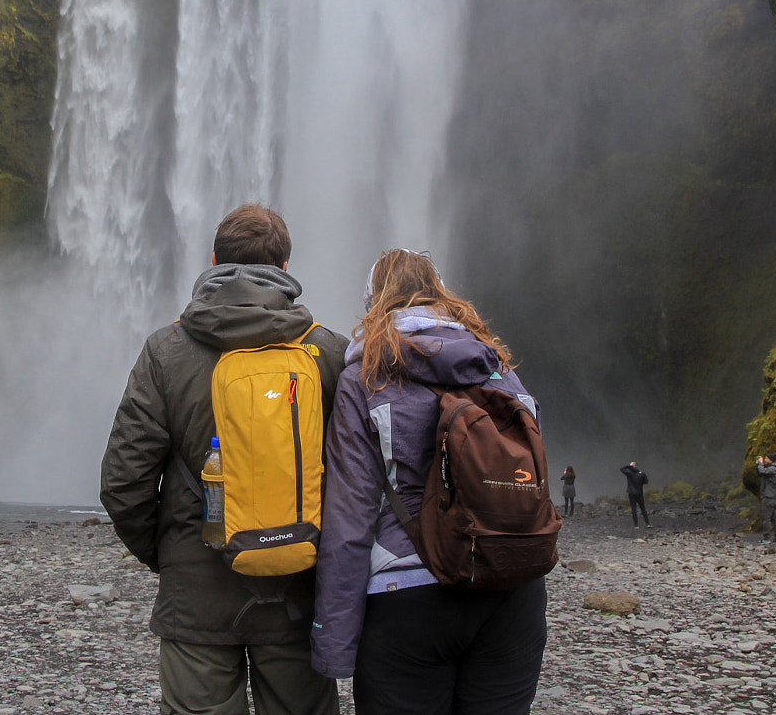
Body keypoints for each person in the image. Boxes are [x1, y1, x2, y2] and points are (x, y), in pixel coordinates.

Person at [100, 204, 348, 715]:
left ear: (213, 260)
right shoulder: (328, 352)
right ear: (285, 269)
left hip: (196, 593)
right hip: (297, 590)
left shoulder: (165, 350)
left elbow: (124, 480)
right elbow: (357, 480)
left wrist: (169, 552)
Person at [312, 249, 547, 715]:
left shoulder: (364, 382)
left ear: (374, 303)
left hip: (409, 597)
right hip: (511, 589)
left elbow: (350, 517)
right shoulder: (501, 372)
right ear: (443, 295)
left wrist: (334, 643)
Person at [756, 453, 776, 543]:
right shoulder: (774, 469)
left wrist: (760, 463)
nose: (765, 459)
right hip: (773, 497)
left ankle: (767, 537)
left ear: (770, 459)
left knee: (767, 518)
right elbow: (760, 472)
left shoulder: (773, 469)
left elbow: (762, 471)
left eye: (766, 458)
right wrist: (759, 464)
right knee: (774, 518)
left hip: (769, 497)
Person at [620, 462, 650, 528]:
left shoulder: (629, 473)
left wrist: (628, 466)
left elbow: (621, 469)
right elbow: (646, 482)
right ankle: (648, 523)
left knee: (634, 509)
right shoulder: (642, 473)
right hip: (639, 493)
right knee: (643, 508)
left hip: (631, 493)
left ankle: (636, 525)